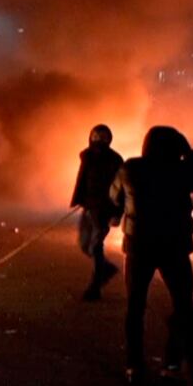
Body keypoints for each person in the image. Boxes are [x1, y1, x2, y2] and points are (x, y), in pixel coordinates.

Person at [109, 126, 193, 384]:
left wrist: (118, 210)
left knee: (135, 306)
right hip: (173, 246)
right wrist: (188, 152)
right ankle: (172, 362)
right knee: (183, 305)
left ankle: (134, 365)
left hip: (139, 245)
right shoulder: (181, 170)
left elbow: (114, 195)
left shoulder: (130, 167)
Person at [70, 124, 124, 301]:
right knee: (85, 244)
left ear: (109, 139)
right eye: (96, 136)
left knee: (95, 245)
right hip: (88, 207)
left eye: (103, 136)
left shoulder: (115, 160)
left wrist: (117, 212)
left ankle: (95, 287)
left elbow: (122, 189)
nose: (99, 139)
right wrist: (80, 199)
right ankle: (106, 269)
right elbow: (83, 180)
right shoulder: (87, 156)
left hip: (104, 210)